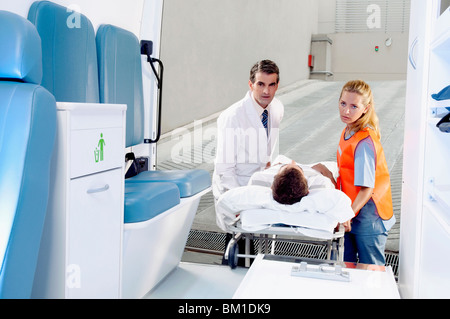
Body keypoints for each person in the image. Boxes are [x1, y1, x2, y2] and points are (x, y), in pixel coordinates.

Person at [313, 80, 395, 265]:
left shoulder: (364, 142)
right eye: (343, 104)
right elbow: (349, 174)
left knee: (370, 273)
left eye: (353, 106)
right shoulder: (347, 130)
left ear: (365, 109)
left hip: (369, 216)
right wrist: (329, 175)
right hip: (352, 210)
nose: (346, 111)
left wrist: (347, 215)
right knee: (345, 266)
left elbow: (367, 189)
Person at [212, 60, 284, 200]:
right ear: (251, 85)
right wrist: (238, 199)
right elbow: (224, 169)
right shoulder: (232, 117)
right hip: (235, 187)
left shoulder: (277, 108)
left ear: (277, 86)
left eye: (271, 85)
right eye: (260, 84)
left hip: (262, 187)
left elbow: (266, 148)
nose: (266, 91)